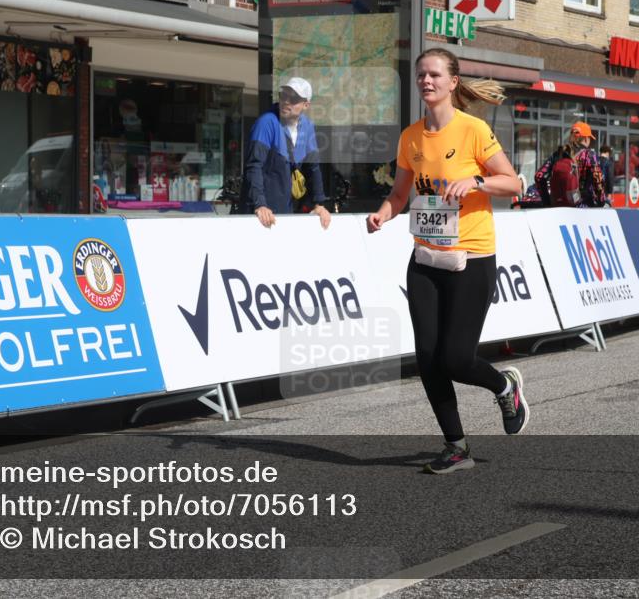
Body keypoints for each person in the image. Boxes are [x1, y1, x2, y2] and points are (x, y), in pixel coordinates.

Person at [366, 47, 527, 475]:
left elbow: (512, 183)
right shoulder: (411, 137)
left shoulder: (473, 131)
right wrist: (383, 214)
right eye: (421, 75)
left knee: (456, 359)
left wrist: (474, 181)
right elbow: (400, 195)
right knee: (428, 358)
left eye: (434, 74)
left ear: (452, 82)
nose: (426, 81)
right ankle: (456, 446)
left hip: (471, 257)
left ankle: (503, 385)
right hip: (424, 259)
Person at [240, 77, 331, 229]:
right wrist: (260, 204)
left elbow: (313, 167)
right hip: (260, 212)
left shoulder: (307, 126)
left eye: (294, 98)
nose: (287, 101)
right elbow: (254, 165)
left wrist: (318, 204)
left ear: (306, 105)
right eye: (283, 95)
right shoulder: (267, 122)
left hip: (286, 208)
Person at [534, 122, 606, 207]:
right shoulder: (589, 155)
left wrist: (547, 201)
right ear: (586, 139)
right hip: (582, 206)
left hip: (558, 207)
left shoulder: (558, 154)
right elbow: (598, 180)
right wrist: (601, 202)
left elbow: (539, 176)